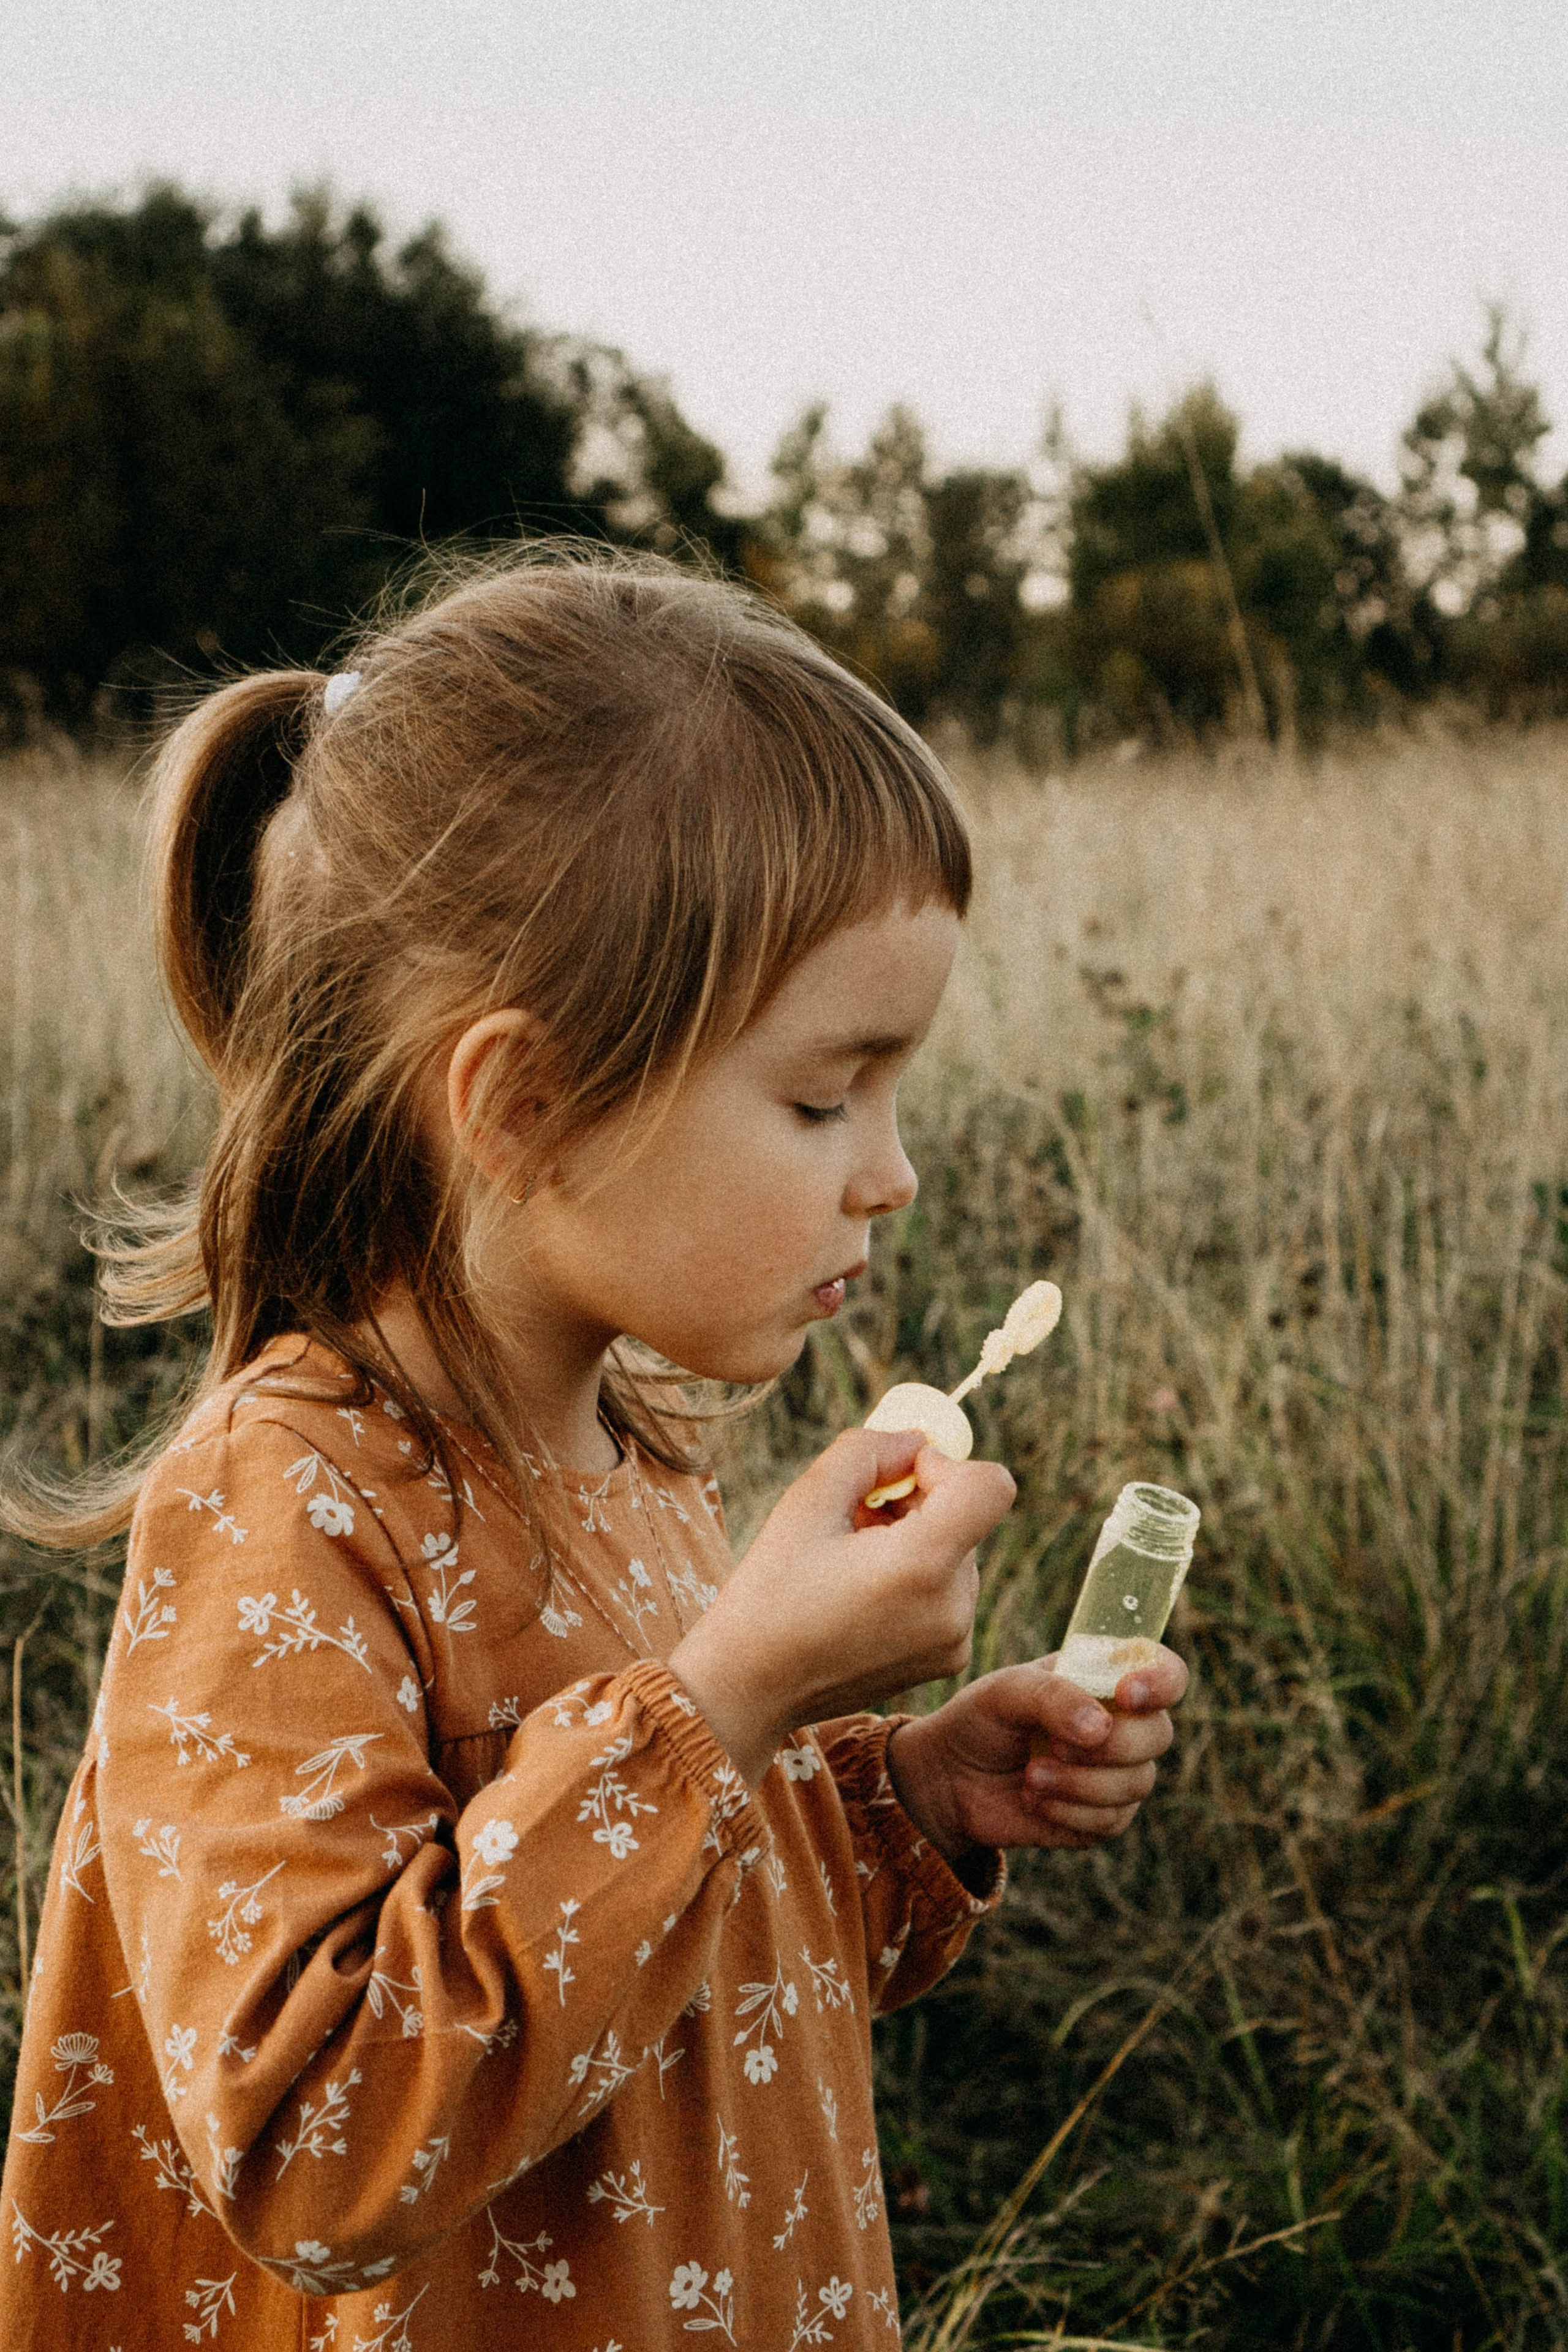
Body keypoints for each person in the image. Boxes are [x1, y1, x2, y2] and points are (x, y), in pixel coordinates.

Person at [0, 551, 1186, 2349]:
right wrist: (723, 1698)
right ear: (526, 1103)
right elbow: (319, 2145)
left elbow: (674, 1956)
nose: (894, 1169)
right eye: (821, 1094)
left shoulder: (639, 1453)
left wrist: (910, 1798)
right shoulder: (287, 1504)